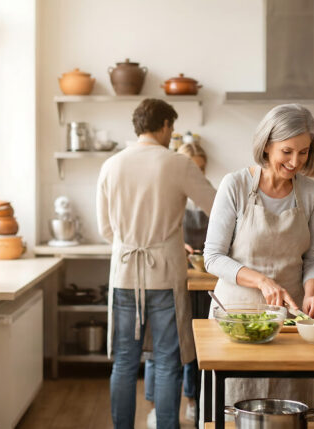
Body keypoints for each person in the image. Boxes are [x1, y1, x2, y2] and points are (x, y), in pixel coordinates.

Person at [97, 98, 215, 429]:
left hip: (123, 273)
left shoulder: (111, 165)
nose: (171, 134)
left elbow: (105, 229)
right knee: (166, 362)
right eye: (171, 127)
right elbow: (217, 208)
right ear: (164, 125)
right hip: (164, 273)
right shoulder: (176, 163)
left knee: (123, 362)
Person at [203, 103, 314, 409]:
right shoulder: (236, 185)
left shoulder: (311, 192)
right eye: (287, 151)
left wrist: (313, 293)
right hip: (236, 317)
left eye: (304, 152)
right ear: (267, 144)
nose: (296, 161)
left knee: (288, 408)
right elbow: (213, 257)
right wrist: (262, 281)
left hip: (289, 318)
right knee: (235, 409)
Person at [143, 142, 208, 428]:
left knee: (194, 344)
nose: (194, 172)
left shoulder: (208, 194)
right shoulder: (162, 194)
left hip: (201, 277)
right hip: (168, 274)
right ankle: (157, 406)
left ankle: (193, 401)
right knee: (161, 347)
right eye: (190, 166)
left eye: (199, 168)